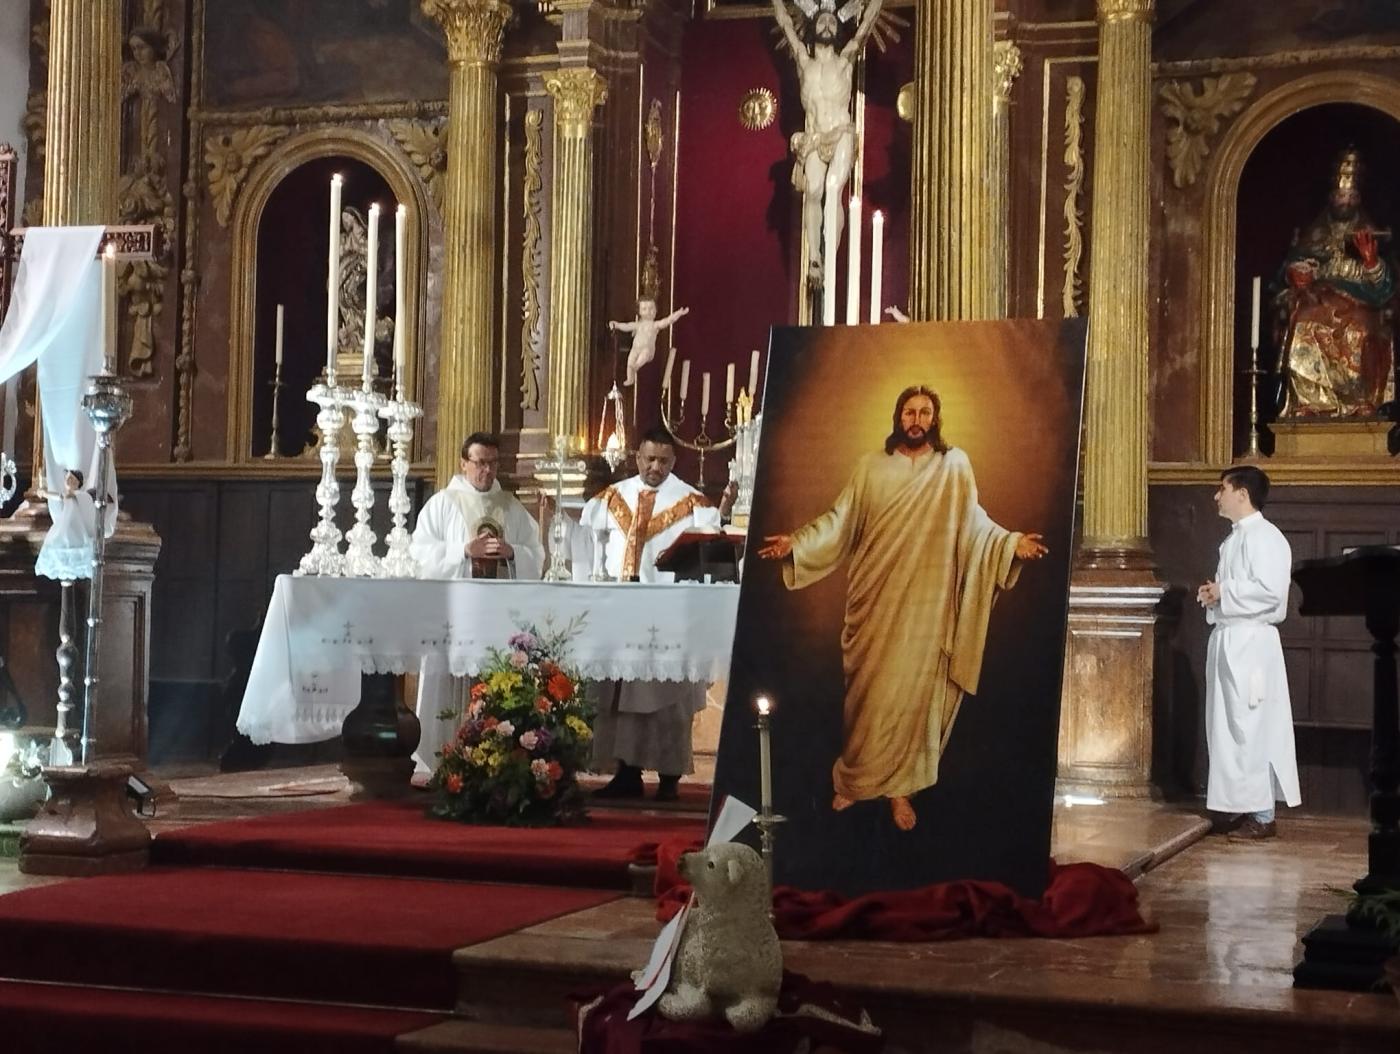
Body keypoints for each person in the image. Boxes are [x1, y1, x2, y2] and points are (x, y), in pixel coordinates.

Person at [757, 385, 1046, 832]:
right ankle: (857, 781)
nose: (916, 419)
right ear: (898, 417)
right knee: (869, 694)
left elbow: (974, 523)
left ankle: (901, 791)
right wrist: (796, 543)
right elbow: (840, 522)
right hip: (874, 600)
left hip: (926, 604)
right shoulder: (871, 467)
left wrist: (1011, 544)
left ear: (935, 418)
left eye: (925, 412)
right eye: (909, 411)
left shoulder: (954, 466)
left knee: (914, 693)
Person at [580, 427, 735, 800]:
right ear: (637, 457)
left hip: (669, 617)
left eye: (663, 461)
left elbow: (710, 553)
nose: (655, 467)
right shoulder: (612, 498)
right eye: (649, 459)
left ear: (674, 461)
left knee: (669, 702)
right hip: (620, 612)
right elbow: (586, 546)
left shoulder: (693, 503)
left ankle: (669, 777)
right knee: (621, 698)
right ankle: (626, 773)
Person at [408, 433, 545, 772]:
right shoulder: (443, 504)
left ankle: (495, 761)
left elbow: (537, 555)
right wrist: (463, 552)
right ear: (463, 463)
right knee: (450, 681)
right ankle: (443, 760)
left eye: (493, 463)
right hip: (455, 613)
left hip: (498, 617)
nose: (487, 470)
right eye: (480, 462)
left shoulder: (510, 506)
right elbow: (419, 555)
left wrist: (514, 553)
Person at [1196, 465, 1301, 841]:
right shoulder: (1233, 540)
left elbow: (1272, 592)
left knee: (1252, 725)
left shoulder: (1266, 537)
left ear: (1242, 493)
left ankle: (1262, 812)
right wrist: (1216, 596)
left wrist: (1227, 592)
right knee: (1227, 727)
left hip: (1252, 647)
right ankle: (1236, 804)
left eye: (1222, 488)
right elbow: (1237, 589)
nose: (1216, 496)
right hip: (1230, 639)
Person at [1273, 147, 1396, 417]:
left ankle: (1359, 403)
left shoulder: (1371, 234)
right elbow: (1289, 270)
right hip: (1319, 301)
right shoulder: (1313, 236)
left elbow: (1384, 289)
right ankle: (1310, 402)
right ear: (1332, 197)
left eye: (1351, 196)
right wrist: (1297, 275)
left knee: (1360, 332)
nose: (1345, 201)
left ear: (1359, 198)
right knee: (1304, 323)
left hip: (1360, 305)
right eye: (1341, 195)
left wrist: (1371, 261)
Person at [771, 0, 885, 285]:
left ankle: (830, 256)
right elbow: (785, 23)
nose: (826, 25)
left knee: (833, 188)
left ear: (839, 31)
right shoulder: (803, 62)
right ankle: (814, 260)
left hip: (840, 132)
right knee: (813, 188)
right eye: (822, 21)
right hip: (814, 136)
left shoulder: (845, 59)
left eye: (832, 23)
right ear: (812, 25)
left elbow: (866, 26)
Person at [609, 299, 688, 387]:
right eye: (644, 309)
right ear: (639, 311)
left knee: (644, 353)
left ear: (655, 311)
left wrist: (678, 313)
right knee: (630, 360)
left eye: (651, 308)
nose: (648, 311)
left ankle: (637, 365)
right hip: (635, 349)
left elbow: (668, 320)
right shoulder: (638, 325)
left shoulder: (655, 325)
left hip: (648, 351)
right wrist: (617, 325)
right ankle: (630, 378)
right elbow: (627, 326)